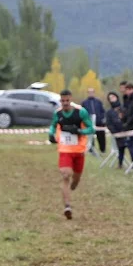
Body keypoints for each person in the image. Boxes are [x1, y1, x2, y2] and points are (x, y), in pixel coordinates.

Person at [47, 90, 95, 221]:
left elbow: (92, 129)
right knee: (65, 175)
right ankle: (67, 206)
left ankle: (75, 183)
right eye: (62, 101)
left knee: (75, 179)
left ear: (71, 100)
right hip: (65, 149)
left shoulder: (81, 112)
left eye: (67, 101)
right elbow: (53, 126)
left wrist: (79, 131)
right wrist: (51, 134)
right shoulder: (58, 113)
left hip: (79, 150)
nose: (65, 103)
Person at [82, 87, 106, 154]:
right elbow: (83, 112)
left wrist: (102, 118)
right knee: (90, 136)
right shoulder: (84, 102)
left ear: (94, 93)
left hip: (99, 122)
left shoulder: (98, 102)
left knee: (101, 136)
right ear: (88, 93)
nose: (91, 93)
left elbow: (102, 111)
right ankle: (91, 149)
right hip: (89, 122)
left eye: (92, 92)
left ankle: (102, 150)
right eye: (89, 92)